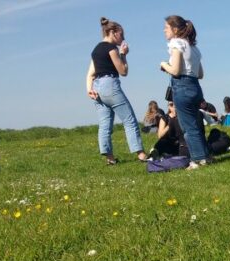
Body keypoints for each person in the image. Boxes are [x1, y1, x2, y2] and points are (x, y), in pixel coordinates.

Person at [86, 17, 147, 165]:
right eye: (121, 34)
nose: (123, 38)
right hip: (110, 85)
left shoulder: (95, 50)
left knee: (105, 124)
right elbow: (123, 71)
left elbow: (90, 74)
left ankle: (110, 158)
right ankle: (141, 155)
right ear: (113, 32)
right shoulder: (111, 48)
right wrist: (123, 54)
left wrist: (89, 89)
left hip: (97, 88)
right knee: (129, 120)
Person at [160, 15, 209, 170]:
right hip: (195, 87)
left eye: (166, 28)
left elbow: (175, 70)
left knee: (188, 128)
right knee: (196, 125)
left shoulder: (176, 43)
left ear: (175, 29)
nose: (164, 31)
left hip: (182, 87)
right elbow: (200, 74)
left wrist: (164, 65)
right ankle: (205, 156)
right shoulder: (194, 48)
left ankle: (197, 160)